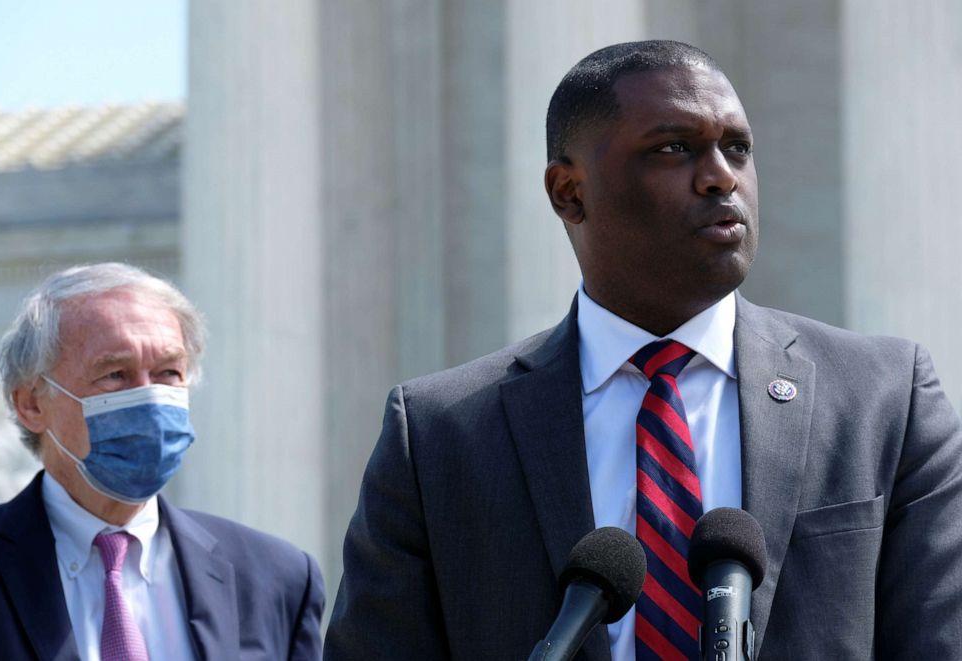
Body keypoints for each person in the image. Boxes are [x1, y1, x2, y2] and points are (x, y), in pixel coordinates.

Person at [325, 40, 962, 660]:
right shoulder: (440, 438)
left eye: (737, 149)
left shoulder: (885, 399)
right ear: (568, 192)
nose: (720, 177)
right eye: (674, 149)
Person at [0, 263, 325, 660]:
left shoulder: (274, 578)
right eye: (115, 374)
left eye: (169, 373)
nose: (150, 398)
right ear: (31, 403)